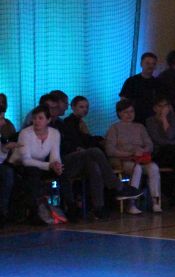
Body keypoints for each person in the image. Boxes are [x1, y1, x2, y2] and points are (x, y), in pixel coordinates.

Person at [49, 91, 142, 220]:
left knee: (94, 166)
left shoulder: (66, 123)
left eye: (86, 107)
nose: (85, 110)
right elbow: (74, 142)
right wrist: (79, 147)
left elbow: (83, 139)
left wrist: (96, 140)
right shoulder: (68, 123)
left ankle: (99, 207)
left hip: (75, 158)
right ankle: (116, 185)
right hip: (63, 161)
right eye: (81, 107)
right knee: (95, 152)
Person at [105, 99, 161, 215]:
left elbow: (150, 145)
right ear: (119, 113)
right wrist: (129, 154)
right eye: (126, 112)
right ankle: (131, 203)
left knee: (154, 168)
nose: (129, 115)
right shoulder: (114, 128)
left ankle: (156, 202)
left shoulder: (140, 127)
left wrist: (142, 150)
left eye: (131, 111)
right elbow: (110, 150)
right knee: (137, 169)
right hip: (123, 160)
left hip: (141, 159)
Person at [17, 106, 63, 224]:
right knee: (33, 173)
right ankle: (35, 212)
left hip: (43, 166)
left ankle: (68, 207)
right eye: (34, 118)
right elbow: (26, 161)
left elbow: (55, 156)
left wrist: (57, 165)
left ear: (48, 120)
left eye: (40, 118)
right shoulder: (25, 133)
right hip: (24, 168)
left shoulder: (55, 133)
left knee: (63, 173)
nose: (36, 121)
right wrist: (49, 165)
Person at [119, 52, 161, 124]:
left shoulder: (158, 83)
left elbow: (161, 102)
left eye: (153, 64)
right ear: (141, 64)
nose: (150, 66)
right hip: (134, 121)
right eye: (147, 63)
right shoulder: (131, 81)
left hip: (152, 121)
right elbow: (123, 101)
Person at [0, 93, 21, 226]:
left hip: (5, 162)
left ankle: (5, 213)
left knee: (10, 173)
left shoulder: (9, 125)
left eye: (3, 102)